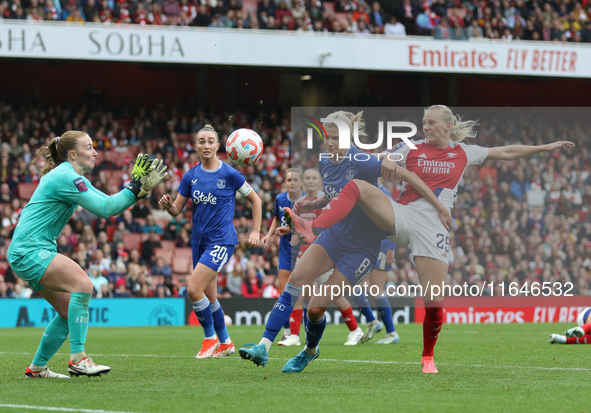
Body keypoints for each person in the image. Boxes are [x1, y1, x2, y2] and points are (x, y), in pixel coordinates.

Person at [291, 105, 574, 373]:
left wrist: (544, 148)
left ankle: (428, 356)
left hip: (433, 226)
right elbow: (383, 158)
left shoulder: (465, 152)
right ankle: (324, 231)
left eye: (431, 122)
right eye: (424, 122)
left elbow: (507, 151)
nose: (426, 127)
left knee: (434, 302)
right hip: (401, 215)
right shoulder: (411, 147)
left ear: (448, 126)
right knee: (360, 187)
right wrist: (389, 158)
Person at [239, 111, 449, 372]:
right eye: (327, 136)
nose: (330, 142)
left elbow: (410, 177)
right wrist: (314, 203)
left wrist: (438, 205)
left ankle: (310, 350)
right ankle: (263, 346)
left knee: (316, 310)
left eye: (336, 137)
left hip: (361, 249)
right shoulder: (326, 160)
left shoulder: (364, 161)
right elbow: (333, 193)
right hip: (334, 236)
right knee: (296, 279)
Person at [8, 131, 166, 378]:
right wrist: (136, 187)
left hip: (28, 251)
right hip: (30, 251)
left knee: (64, 313)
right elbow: (105, 209)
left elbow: (110, 205)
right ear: (73, 154)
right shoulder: (66, 176)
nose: (95, 152)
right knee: (83, 285)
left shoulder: (71, 176)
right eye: (89, 147)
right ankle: (78, 359)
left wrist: (139, 190)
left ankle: (37, 368)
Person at [159, 125, 262, 359]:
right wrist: (168, 206)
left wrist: (255, 231)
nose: (206, 145)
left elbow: (256, 200)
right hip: (199, 242)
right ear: (195, 146)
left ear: (218, 145)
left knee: (194, 290)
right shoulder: (191, 176)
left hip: (221, 241)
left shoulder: (230, 174)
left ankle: (209, 339)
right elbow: (177, 209)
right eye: (201, 142)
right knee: (210, 297)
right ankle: (225, 343)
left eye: (210, 141)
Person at [280, 167, 364, 346]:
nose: (310, 181)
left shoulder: (325, 201)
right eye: (307, 178)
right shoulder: (301, 203)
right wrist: (292, 231)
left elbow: (332, 225)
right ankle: (294, 336)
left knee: (333, 294)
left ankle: (355, 330)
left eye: (314, 178)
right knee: (298, 291)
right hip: (304, 253)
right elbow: (301, 225)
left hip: (323, 253)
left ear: (320, 182)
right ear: (303, 182)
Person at [261, 168, 304, 344]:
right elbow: (277, 220)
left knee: (298, 293)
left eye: (294, 180)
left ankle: (295, 335)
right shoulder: (280, 198)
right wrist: (269, 235)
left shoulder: (306, 201)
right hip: (285, 250)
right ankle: (287, 333)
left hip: (303, 250)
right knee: (284, 291)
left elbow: (309, 226)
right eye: (288, 180)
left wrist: (291, 230)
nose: (291, 183)